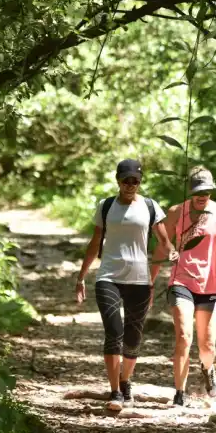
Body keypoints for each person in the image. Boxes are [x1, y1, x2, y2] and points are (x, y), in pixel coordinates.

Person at [75, 158, 177, 411]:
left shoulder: (151, 207)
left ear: (140, 181)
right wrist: (81, 276)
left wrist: (173, 251)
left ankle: (125, 380)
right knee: (114, 331)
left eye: (135, 180)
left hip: (139, 279)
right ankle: (115, 392)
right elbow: (95, 242)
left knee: (133, 336)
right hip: (108, 277)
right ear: (118, 180)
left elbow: (164, 240)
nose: (131, 184)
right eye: (126, 180)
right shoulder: (106, 206)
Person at [164, 166, 216, 406]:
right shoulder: (176, 212)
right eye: (197, 192)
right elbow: (162, 243)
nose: (202, 196)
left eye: (206, 191)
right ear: (190, 191)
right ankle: (179, 393)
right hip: (181, 280)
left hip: (210, 284)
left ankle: (208, 368)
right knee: (184, 336)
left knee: (207, 346)